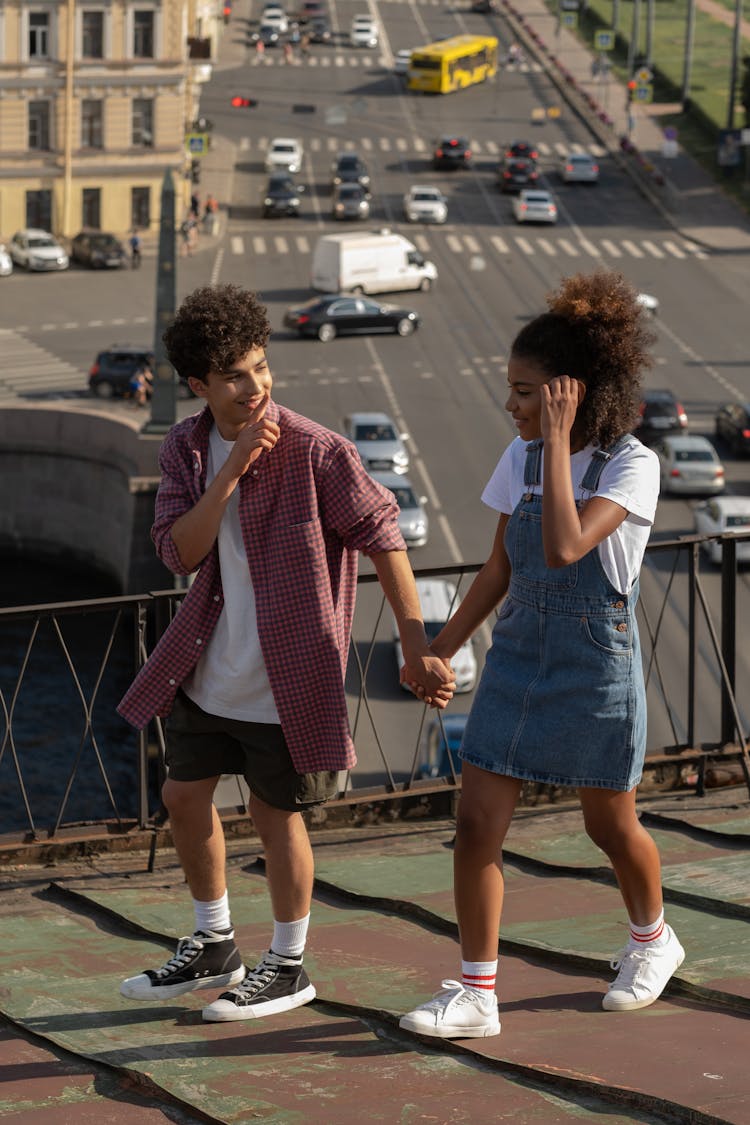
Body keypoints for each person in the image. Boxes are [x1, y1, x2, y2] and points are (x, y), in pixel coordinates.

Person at [117, 285, 454, 1023]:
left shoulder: (316, 449)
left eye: (261, 367)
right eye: (235, 375)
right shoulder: (187, 447)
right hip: (207, 668)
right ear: (200, 385)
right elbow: (179, 553)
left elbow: (384, 535)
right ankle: (215, 945)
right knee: (182, 797)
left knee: (276, 815)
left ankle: (289, 965)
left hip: (288, 673)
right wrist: (230, 471)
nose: (256, 386)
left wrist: (413, 641)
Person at [399, 271, 684, 1041]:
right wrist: (440, 646)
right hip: (519, 654)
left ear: (570, 392)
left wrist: (556, 440)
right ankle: (476, 992)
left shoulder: (632, 464)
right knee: (476, 823)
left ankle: (653, 940)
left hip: (595, 663)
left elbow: (561, 547)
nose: (512, 407)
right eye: (512, 392)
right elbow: (501, 568)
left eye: (527, 392)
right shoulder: (519, 455)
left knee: (609, 826)